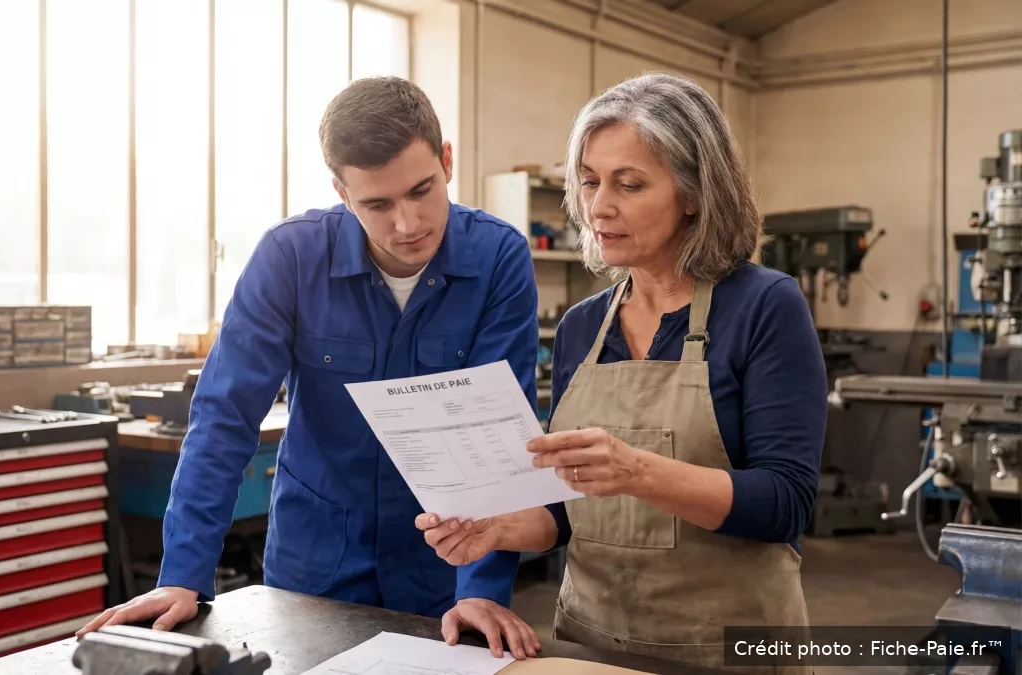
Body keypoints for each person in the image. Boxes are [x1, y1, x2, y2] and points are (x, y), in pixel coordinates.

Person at [78, 76, 543, 659]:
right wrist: (183, 575)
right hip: (314, 565)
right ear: (342, 193)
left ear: (447, 161)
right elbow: (224, 418)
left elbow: (494, 439)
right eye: (377, 204)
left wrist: (481, 590)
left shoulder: (499, 257)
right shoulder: (291, 258)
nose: (407, 224)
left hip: (442, 573)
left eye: (422, 190)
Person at [416, 72, 827, 672]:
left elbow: (786, 504)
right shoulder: (584, 327)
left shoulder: (765, 306)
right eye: (589, 181)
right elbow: (565, 512)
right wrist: (497, 528)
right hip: (594, 648)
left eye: (629, 184)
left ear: (694, 193)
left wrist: (636, 469)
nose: (598, 206)